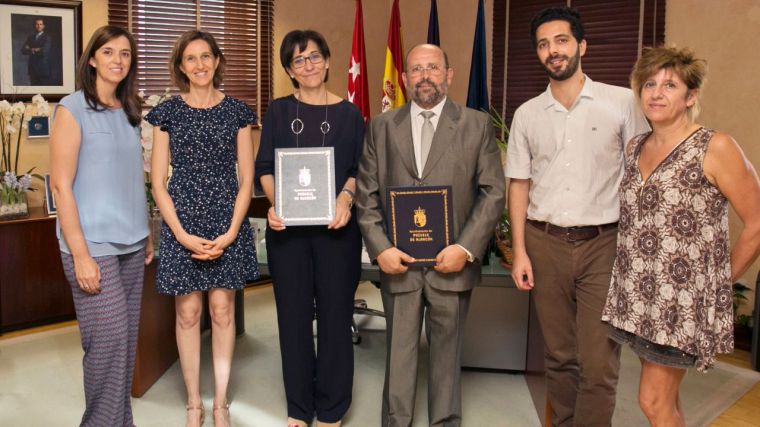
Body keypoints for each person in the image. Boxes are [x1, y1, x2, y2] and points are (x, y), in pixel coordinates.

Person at [504, 6, 650, 426]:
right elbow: (519, 184)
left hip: (604, 245)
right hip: (544, 243)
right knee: (560, 356)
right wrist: (519, 251)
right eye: (544, 44)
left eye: (561, 40)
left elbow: (642, 171)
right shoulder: (528, 114)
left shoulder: (621, 102)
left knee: (599, 363)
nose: (553, 51)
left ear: (582, 45)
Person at [601, 46, 760, 426]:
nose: (656, 93)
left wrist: (719, 284)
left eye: (670, 85)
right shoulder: (635, 146)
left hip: (680, 307)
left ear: (691, 97)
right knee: (666, 404)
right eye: (649, 84)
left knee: (652, 402)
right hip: (639, 298)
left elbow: (756, 223)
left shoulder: (715, 146)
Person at [356, 43, 505, 426]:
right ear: (404, 79)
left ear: (449, 74)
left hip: (451, 265)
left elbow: (493, 191)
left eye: (433, 67)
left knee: (446, 357)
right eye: (416, 69)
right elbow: (366, 195)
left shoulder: (475, 124)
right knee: (399, 355)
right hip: (398, 265)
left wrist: (467, 248)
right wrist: (380, 248)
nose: (425, 76)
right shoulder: (381, 126)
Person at [146, 30, 258, 427]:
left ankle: (221, 402)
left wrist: (230, 233)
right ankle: (194, 402)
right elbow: (159, 182)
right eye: (191, 58)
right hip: (183, 222)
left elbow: (246, 180)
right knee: (189, 312)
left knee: (223, 310)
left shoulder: (238, 112)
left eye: (206, 56)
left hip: (226, 219)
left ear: (217, 61)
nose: (200, 65)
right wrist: (179, 234)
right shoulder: (167, 113)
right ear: (181, 66)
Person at [254, 29, 364, 427]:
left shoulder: (350, 115)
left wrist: (345, 199)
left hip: (338, 232)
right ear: (289, 70)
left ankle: (332, 408)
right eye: (298, 61)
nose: (309, 65)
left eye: (314, 56)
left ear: (329, 61)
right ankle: (299, 407)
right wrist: (276, 203)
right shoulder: (279, 111)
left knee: (336, 318)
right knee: (293, 319)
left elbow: (358, 170)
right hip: (290, 236)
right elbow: (264, 167)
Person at [49, 25, 153, 427]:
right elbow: (61, 185)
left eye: (125, 54)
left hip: (131, 242)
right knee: (107, 346)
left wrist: (145, 232)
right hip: (92, 246)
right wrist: (80, 255)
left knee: (124, 347)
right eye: (108, 52)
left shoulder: (129, 111)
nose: (117, 60)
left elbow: (132, 179)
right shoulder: (71, 109)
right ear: (92, 58)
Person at [21, 17, 52, 85]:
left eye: (40, 24)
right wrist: (35, 49)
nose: (38, 26)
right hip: (32, 69)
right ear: (34, 25)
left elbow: (44, 51)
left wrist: (30, 48)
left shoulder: (47, 37)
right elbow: (23, 50)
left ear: (43, 26)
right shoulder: (30, 37)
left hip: (42, 69)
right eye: (37, 24)